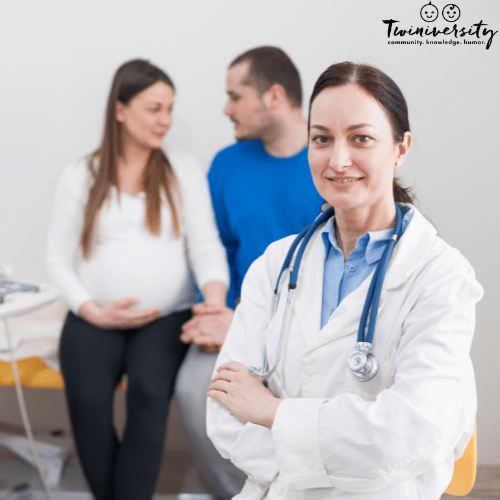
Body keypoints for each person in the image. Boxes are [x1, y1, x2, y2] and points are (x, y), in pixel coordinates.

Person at [206, 62, 483, 500]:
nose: (338, 160)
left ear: (400, 148)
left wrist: (272, 412)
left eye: (361, 138)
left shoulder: (439, 276)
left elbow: (408, 436)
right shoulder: (275, 266)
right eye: (322, 139)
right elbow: (225, 417)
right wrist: (344, 456)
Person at [46, 59, 228, 500]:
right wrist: (94, 311)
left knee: (149, 390)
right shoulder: (82, 175)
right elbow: (57, 261)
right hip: (94, 316)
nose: (165, 120)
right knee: (88, 400)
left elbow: (205, 247)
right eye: (154, 108)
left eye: (169, 109)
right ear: (121, 109)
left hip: (165, 316)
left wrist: (216, 300)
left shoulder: (181, 171)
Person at [175, 46, 323, 499]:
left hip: (308, 324)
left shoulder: (328, 164)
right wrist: (218, 308)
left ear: (273, 96)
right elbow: (214, 245)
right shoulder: (227, 164)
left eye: (235, 96)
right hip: (236, 314)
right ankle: (238, 492)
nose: (226, 108)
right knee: (193, 391)